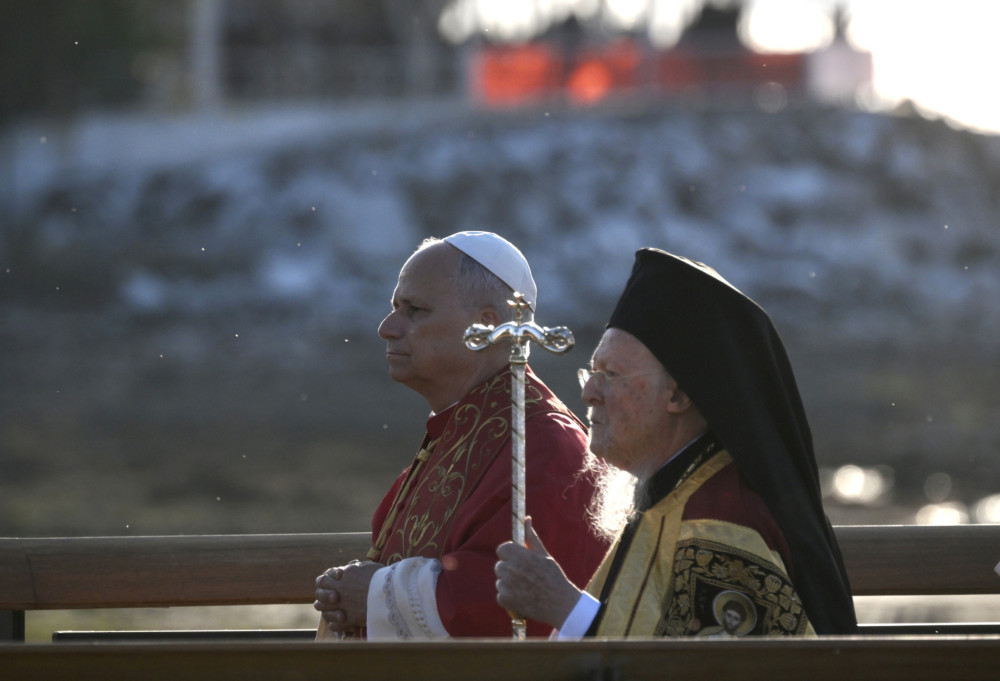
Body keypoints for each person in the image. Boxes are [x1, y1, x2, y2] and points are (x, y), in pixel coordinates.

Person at [494, 247, 858, 637]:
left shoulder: (718, 525)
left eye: (612, 375)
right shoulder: (674, 491)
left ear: (679, 396)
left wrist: (567, 609)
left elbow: (697, 672)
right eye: (592, 372)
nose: (589, 393)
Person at [315, 231, 610, 640]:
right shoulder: (454, 432)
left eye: (415, 310)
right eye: (393, 308)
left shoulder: (545, 447)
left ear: (487, 324)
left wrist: (374, 593)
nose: (386, 328)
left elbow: (506, 610)